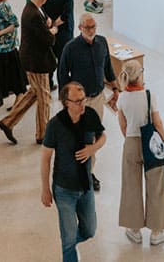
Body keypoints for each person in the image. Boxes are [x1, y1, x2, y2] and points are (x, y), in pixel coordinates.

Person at [41, 82, 106, 262]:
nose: (82, 104)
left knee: (89, 230)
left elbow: (102, 136)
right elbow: (45, 158)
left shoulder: (90, 115)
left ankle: (70, 241)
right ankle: (69, 246)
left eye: (83, 99)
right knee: (68, 241)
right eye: (77, 101)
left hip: (85, 187)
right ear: (66, 102)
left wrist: (93, 148)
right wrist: (45, 189)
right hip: (64, 190)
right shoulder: (55, 125)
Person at [58, 13, 119, 192]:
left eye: (93, 27)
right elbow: (62, 75)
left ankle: (87, 172)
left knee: (93, 138)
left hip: (98, 98)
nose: (91, 30)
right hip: (80, 103)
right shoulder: (70, 48)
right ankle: (84, 174)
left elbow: (107, 66)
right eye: (87, 27)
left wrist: (115, 88)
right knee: (83, 139)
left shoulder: (102, 43)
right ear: (79, 28)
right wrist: (68, 102)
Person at [117, 59, 164, 246]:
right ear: (139, 75)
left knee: (131, 185)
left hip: (131, 142)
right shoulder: (149, 95)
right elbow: (157, 122)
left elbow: (122, 126)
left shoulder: (122, 98)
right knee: (156, 185)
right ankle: (157, 231)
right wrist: (163, 142)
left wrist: (131, 139)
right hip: (150, 143)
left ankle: (134, 229)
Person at [0, 0, 58, 146]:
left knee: (35, 92)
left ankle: (8, 122)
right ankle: (42, 134)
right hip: (36, 62)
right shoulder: (32, 14)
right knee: (44, 96)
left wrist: (48, 25)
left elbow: (45, 22)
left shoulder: (34, 8)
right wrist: (53, 30)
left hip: (33, 59)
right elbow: (48, 39)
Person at [43, 0, 75, 78]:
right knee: (63, 62)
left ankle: (49, 82)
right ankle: (62, 86)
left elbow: (42, 10)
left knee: (50, 59)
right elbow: (66, 15)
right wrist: (56, 24)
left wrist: (50, 24)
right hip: (64, 32)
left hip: (49, 31)